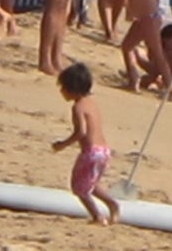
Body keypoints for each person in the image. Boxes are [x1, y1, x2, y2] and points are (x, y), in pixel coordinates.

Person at [52, 63, 120, 226]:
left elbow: (81, 132)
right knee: (92, 184)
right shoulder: (92, 103)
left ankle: (97, 215)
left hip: (91, 152)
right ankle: (112, 204)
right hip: (104, 151)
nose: (61, 92)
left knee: (79, 187)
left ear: (72, 89)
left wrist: (63, 144)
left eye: (63, 88)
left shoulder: (78, 107)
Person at [116, 0, 171, 93]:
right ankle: (134, 80)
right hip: (149, 16)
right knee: (127, 46)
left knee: (158, 53)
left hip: (148, 18)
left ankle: (171, 89)